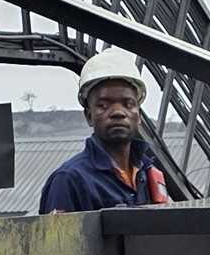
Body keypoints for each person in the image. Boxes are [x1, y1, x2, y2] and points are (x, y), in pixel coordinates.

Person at [38, 48, 171, 211]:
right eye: (103, 105)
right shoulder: (69, 180)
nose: (118, 112)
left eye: (128, 104)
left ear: (139, 115)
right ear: (89, 116)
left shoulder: (149, 174)